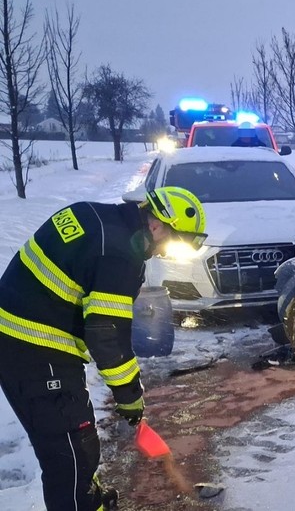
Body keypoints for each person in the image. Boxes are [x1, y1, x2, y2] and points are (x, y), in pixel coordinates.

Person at [0, 187, 207, 511]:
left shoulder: (95, 216)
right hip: (35, 350)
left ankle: (88, 500)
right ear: (156, 225)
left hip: (23, 340)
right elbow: (106, 333)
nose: (166, 253)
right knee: (69, 458)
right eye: (173, 242)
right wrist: (129, 396)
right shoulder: (121, 254)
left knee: (75, 446)